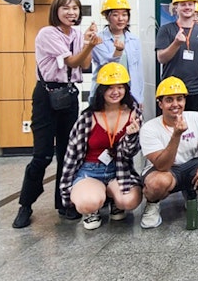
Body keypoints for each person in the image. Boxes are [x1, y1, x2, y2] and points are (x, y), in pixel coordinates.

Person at [12, 0, 100, 229]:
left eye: (75, 8)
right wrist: (88, 45)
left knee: (67, 152)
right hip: (46, 95)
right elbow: (71, 61)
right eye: (66, 8)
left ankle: (63, 202)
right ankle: (25, 205)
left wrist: (88, 43)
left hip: (68, 95)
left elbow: (83, 64)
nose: (71, 13)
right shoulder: (47, 33)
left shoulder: (78, 34)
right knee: (42, 154)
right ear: (56, 11)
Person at [58, 63, 143, 230]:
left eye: (120, 87)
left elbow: (130, 153)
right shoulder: (88, 117)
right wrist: (66, 189)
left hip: (119, 170)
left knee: (130, 200)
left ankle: (114, 200)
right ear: (101, 89)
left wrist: (131, 135)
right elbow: (72, 155)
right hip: (90, 171)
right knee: (88, 202)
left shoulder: (133, 114)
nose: (115, 92)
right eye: (110, 88)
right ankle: (92, 209)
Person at [138, 77, 198, 229]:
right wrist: (176, 135)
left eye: (179, 99)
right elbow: (162, 165)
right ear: (160, 104)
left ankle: (193, 190)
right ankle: (152, 204)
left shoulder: (196, 118)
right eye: (169, 100)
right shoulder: (149, 128)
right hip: (165, 171)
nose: (175, 104)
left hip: (192, 165)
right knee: (157, 184)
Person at [155, 0, 198, 113]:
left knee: (192, 129)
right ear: (176, 7)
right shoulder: (166, 30)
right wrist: (176, 43)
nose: (187, 7)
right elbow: (161, 58)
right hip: (170, 89)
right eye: (183, 4)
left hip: (195, 90)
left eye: (190, 4)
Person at [91, 0, 144, 105]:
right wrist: (118, 51)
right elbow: (106, 64)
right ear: (107, 16)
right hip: (105, 94)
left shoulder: (134, 39)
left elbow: (138, 72)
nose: (121, 19)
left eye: (124, 15)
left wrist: (139, 98)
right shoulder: (98, 39)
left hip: (130, 94)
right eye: (115, 15)